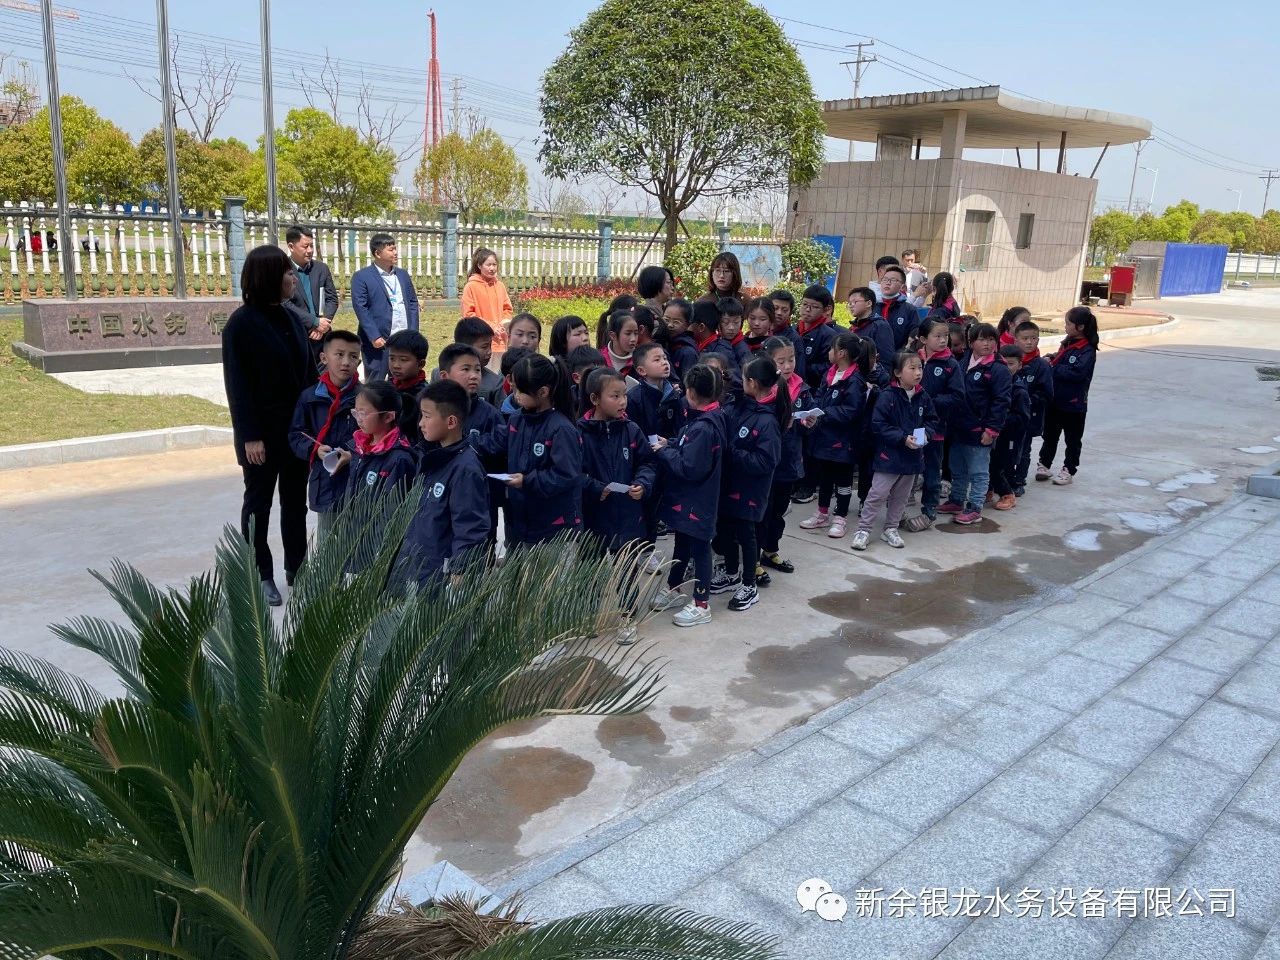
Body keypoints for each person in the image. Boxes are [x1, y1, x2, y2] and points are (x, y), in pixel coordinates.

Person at [222, 244, 316, 606]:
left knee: (295, 504)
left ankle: (297, 569)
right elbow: (238, 387)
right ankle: (260, 573)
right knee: (258, 506)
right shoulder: (241, 324)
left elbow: (308, 375)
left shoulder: (291, 318)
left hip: (295, 433)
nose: (294, 278)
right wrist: (250, 436)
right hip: (260, 436)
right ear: (268, 277)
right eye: (287, 273)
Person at [650, 364, 729, 628]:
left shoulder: (704, 426)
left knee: (700, 549)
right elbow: (689, 447)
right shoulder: (704, 418)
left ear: (691, 393)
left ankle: (701, 604)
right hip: (689, 500)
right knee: (681, 543)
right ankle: (674, 587)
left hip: (699, 501)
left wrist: (663, 452)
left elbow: (690, 467)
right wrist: (670, 443)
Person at [710, 354, 787, 611]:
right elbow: (733, 387)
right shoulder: (742, 404)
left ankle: (749, 584)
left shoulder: (767, 421)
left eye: (743, 378)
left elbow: (765, 462)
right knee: (726, 530)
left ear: (752, 383)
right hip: (729, 485)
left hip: (750, 491)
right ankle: (731, 573)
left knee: (746, 535)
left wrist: (732, 452)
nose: (739, 382)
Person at [402, 379, 492, 585]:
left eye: (427, 416)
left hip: (443, 574)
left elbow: (470, 526)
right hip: (420, 566)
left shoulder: (466, 468)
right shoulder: (430, 456)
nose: (420, 423)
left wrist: (460, 569)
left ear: (451, 422)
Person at [853, 350, 938, 551]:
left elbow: (932, 420)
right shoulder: (887, 396)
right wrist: (902, 438)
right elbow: (878, 425)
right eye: (912, 368)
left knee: (901, 497)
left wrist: (926, 435)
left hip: (912, 457)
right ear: (898, 373)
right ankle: (864, 529)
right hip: (888, 457)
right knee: (877, 494)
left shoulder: (923, 396)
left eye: (920, 368)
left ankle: (890, 528)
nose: (918, 372)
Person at [287, 328, 361, 538]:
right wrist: (314, 449)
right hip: (325, 483)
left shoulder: (365, 398)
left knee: (357, 542)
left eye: (353, 356)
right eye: (339, 354)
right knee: (327, 543)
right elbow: (296, 434)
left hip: (357, 483)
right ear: (324, 358)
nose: (346, 362)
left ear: (359, 361)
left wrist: (353, 454)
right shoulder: (309, 397)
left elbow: (375, 438)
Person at [503, 354, 584, 545]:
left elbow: (566, 475)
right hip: (522, 522)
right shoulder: (516, 420)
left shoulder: (561, 429)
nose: (515, 395)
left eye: (520, 390)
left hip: (555, 529)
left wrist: (527, 481)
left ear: (542, 392)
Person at [578, 367, 657, 554]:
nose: (623, 401)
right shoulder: (579, 432)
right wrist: (595, 487)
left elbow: (648, 463)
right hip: (593, 520)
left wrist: (642, 483)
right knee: (593, 568)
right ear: (595, 399)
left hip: (627, 520)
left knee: (628, 569)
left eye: (625, 395)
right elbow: (572, 472)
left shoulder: (631, 430)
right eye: (615, 396)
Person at [438, 342, 508, 555]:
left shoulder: (490, 413)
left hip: (481, 502)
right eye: (465, 369)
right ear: (444, 376)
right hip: (442, 499)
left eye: (477, 370)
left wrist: (468, 445)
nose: (474, 376)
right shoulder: (434, 411)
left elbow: (500, 449)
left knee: (480, 555)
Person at [940, 322, 1010, 525]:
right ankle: (956, 500)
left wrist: (991, 430)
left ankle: (975, 507)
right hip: (958, 427)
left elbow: (1001, 402)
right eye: (981, 339)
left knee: (978, 471)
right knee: (957, 467)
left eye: (991, 339)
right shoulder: (962, 362)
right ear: (971, 343)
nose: (987, 344)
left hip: (981, 430)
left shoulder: (998, 369)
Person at [798, 333, 867, 539]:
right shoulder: (830, 374)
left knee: (843, 481)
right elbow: (819, 397)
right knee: (825, 477)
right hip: (824, 438)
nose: (829, 352)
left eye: (831, 349)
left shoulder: (855, 381)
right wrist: (813, 412)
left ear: (842, 353)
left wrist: (825, 413)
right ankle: (822, 513)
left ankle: (840, 517)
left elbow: (851, 411)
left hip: (844, 441)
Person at [758, 336, 809, 574]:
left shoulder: (802, 388)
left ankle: (770, 550)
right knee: (762, 512)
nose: (788, 366)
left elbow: (809, 421)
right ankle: (753, 559)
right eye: (781, 361)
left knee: (779, 510)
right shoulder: (762, 389)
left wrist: (809, 422)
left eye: (792, 359)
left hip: (789, 460)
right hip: (767, 463)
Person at [904, 318, 960, 532]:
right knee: (909, 463)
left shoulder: (950, 365)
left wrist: (929, 401)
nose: (943, 340)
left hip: (933, 428)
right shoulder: (912, 359)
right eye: (937, 336)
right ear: (923, 339)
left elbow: (957, 396)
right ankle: (901, 505)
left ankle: (929, 511)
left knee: (931, 469)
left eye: (945, 336)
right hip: (911, 426)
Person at [1037, 306, 1099, 486]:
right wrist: (1050, 358)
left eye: (1068, 323)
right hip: (1055, 399)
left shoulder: (1087, 350)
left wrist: (1053, 367)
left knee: (1072, 439)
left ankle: (1069, 469)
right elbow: (1060, 357)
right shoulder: (1068, 343)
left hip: (1074, 403)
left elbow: (1077, 373)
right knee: (1050, 435)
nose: (1065, 326)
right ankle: (1044, 464)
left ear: (1080, 327)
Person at [351, 233, 420, 382]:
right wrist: (374, 336)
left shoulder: (402, 275)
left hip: (403, 339)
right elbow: (361, 307)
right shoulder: (362, 277)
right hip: (379, 341)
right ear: (377, 253)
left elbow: (412, 303)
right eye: (391, 249)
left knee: (404, 380)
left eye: (395, 248)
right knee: (376, 383)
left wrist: (413, 333)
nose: (395, 252)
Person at [345, 382, 416, 497]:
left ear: (388, 417)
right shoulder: (359, 447)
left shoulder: (399, 459)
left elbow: (394, 504)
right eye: (355, 412)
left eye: (363, 413)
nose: (358, 419)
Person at [1012, 319, 1054, 494]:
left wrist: (1028, 400)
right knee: (1008, 449)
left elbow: (1047, 393)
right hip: (1010, 416)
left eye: (1033, 338)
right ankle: (1005, 478)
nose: (1029, 342)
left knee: (1024, 450)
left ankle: (1019, 481)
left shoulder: (1042, 366)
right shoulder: (1010, 362)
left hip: (1029, 417)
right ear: (1016, 340)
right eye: (1025, 338)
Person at [284, 226, 339, 358]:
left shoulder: (321, 268)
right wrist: (314, 322)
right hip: (295, 335)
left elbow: (332, 299)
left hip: (322, 336)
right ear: (291, 247)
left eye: (312, 246)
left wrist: (323, 324)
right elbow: (285, 303)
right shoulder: (282, 269)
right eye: (305, 246)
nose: (310, 250)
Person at [990, 345, 1030, 510]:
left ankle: (1007, 493)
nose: (1006, 368)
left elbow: (1022, 418)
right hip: (994, 433)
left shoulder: (1019, 391)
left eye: (1011, 364)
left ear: (1019, 365)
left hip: (1009, 437)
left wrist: (1001, 418)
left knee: (998, 467)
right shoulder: (995, 383)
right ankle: (988, 490)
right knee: (988, 463)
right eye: (1003, 364)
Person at [435, 317, 503, 401]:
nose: (490, 352)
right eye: (484, 347)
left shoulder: (495, 383)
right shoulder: (438, 374)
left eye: (490, 346)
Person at [627, 342, 683, 440]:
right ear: (641, 371)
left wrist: (670, 443)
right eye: (657, 360)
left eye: (665, 358)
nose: (664, 362)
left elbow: (680, 429)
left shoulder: (674, 394)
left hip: (670, 448)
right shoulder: (634, 398)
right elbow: (632, 435)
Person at [460, 246, 513, 345]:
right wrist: (490, 327)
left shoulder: (500, 286)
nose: (492, 268)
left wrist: (503, 325)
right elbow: (468, 315)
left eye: (494, 265)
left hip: (500, 341)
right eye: (488, 265)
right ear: (479, 266)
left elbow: (507, 309)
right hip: (480, 341)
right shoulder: (471, 287)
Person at [385, 329, 430, 444]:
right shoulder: (386, 388)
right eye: (392, 358)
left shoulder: (426, 396)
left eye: (403, 360)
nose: (396, 365)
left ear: (421, 364)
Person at [846, 286, 894, 385]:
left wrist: (878, 382)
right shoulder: (852, 328)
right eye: (849, 303)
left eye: (855, 302)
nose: (851, 306)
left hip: (870, 383)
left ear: (868, 303)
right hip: (852, 381)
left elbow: (886, 359)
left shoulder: (880, 325)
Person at [797, 283, 839, 390]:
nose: (807, 309)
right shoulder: (792, 330)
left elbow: (830, 365)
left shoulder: (829, 335)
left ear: (826, 310)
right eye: (805, 304)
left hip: (813, 389)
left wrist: (803, 367)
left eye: (815, 307)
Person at [877, 266, 920, 351]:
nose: (888, 283)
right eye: (885, 279)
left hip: (898, 356)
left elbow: (914, 336)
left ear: (902, 286)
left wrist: (902, 354)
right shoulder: (872, 307)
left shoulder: (909, 310)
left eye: (893, 280)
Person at [768, 288, 806, 380]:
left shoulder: (794, 339)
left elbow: (799, 374)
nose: (779, 313)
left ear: (790, 313)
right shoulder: (759, 331)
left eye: (784, 310)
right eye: (775, 308)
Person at [692, 299, 739, 372]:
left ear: (701, 327)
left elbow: (734, 377)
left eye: (689, 323)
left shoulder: (722, 351)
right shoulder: (697, 344)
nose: (686, 327)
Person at [664, 298, 699, 383]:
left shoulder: (688, 352)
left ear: (688, 324)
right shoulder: (664, 342)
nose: (670, 325)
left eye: (676, 322)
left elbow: (689, 384)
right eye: (666, 320)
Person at [599, 309, 639, 380]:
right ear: (613, 336)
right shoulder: (599, 360)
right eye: (628, 333)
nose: (633, 339)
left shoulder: (641, 360)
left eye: (636, 333)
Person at [716, 297, 751, 369]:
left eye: (736, 322)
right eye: (726, 322)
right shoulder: (716, 341)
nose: (731, 327)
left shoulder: (742, 349)